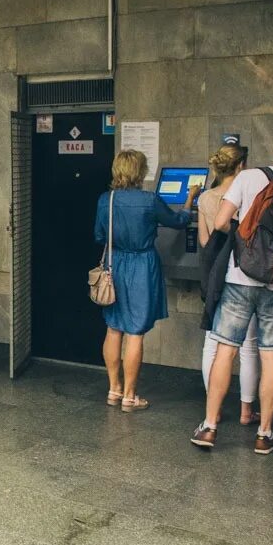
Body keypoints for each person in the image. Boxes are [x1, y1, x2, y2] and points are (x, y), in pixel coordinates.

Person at [192, 124, 273, 451]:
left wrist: (244, 234)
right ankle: (264, 434)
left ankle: (209, 426)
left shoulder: (248, 178)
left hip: (240, 278)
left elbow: (222, 222)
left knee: (226, 349)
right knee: (271, 358)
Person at [96, 150, 195, 412]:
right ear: (140, 172)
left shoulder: (106, 199)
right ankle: (130, 396)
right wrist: (190, 200)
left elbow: (99, 235)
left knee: (113, 327)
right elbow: (178, 221)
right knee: (135, 331)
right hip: (142, 265)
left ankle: (113, 389)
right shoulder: (149, 200)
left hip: (114, 265)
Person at [198, 144, 260, 426]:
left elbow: (203, 242)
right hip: (241, 272)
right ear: (240, 166)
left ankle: (214, 407)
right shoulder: (248, 195)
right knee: (247, 345)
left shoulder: (206, 198)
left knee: (212, 342)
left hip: (214, 274)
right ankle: (247, 412)